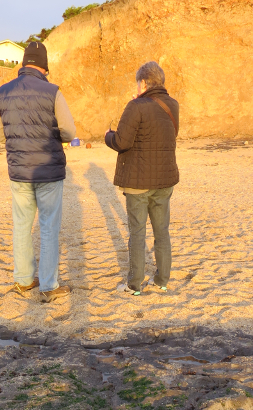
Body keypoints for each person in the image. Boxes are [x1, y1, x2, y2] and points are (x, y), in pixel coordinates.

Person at [0, 41, 76, 303]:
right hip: (48, 170)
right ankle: (49, 286)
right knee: (49, 227)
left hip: (18, 171)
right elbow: (69, 132)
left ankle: (24, 280)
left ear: (23, 63)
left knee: (21, 226)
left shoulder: (3, 92)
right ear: (44, 66)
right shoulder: (53, 91)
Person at [105, 61, 179, 295]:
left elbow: (121, 142)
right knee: (161, 231)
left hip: (138, 182)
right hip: (164, 180)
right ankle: (162, 280)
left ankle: (135, 284)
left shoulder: (135, 106)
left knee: (137, 233)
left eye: (138, 82)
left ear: (143, 83)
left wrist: (108, 136)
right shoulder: (173, 105)